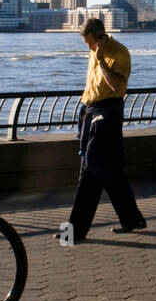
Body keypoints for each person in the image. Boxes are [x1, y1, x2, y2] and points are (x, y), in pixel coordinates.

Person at [59, 17, 146, 241]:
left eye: (89, 42)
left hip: (108, 112)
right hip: (91, 111)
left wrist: (101, 61)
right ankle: (132, 219)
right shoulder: (92, 52)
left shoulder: (119, 52)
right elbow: (92, 86)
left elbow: (117, 86)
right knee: (111, 170)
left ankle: (75, 232)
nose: (88, 47)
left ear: (100, 37)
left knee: (91, 165)